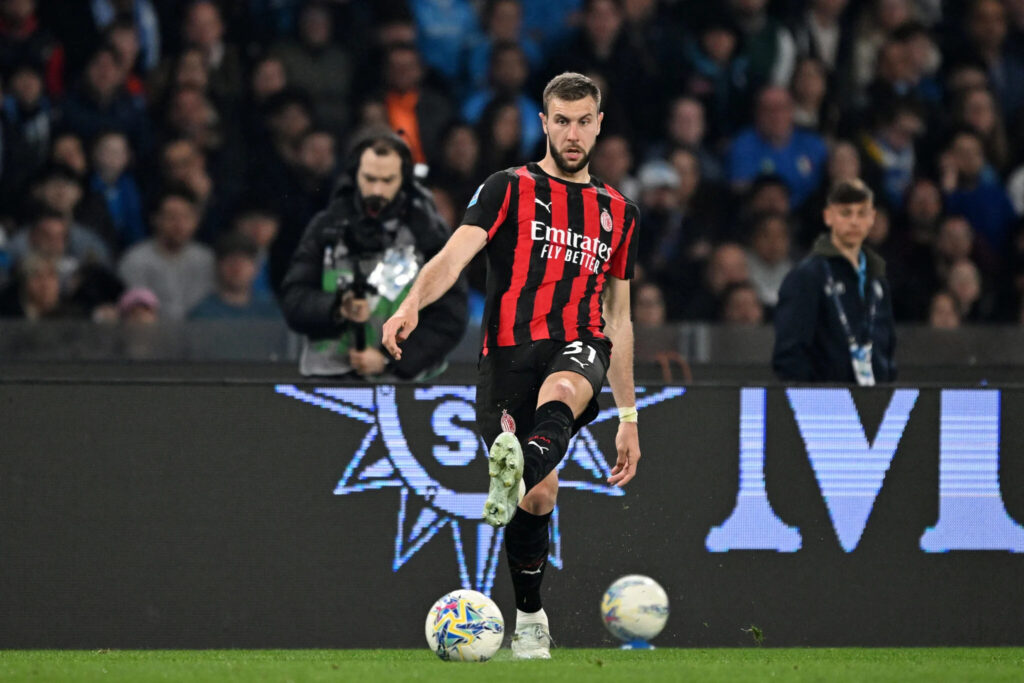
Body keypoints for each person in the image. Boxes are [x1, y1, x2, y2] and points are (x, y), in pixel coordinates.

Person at [381, 72, 641, 660]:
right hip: (507, 358)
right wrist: (411, 304)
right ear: (544, 123)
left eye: (584, 122)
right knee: (540, 499)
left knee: (566, 387)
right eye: (562, 121)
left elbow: (619, 318)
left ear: (599, 125)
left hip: (579, 341)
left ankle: (517, 467)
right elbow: (454, 256)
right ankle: (529, 615)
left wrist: (628, 414)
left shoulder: (619, 212)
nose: (573, 134)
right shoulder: (507, 188)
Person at [280, 132, 467, 380]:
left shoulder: (428, 233)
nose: (377, 189)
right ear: (354, 175)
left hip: (405, 386)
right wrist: (337, 307)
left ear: (404, 180)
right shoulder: (326, 227)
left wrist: (389, 360)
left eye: (388, 180)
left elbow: (451, 316)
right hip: (328, 380)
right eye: (369, 179)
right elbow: (294, 299)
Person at [773, 178, 896, 384]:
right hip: (825, 399)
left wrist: (886, 380)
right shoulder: (807, 276)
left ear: (871, 219)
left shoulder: (877, 279)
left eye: (861, 213)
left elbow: (887, 344)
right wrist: (812, 397)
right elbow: (791, 354)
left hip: (875, 397)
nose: (854, 222)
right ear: (829, 217)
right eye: (846, 213)